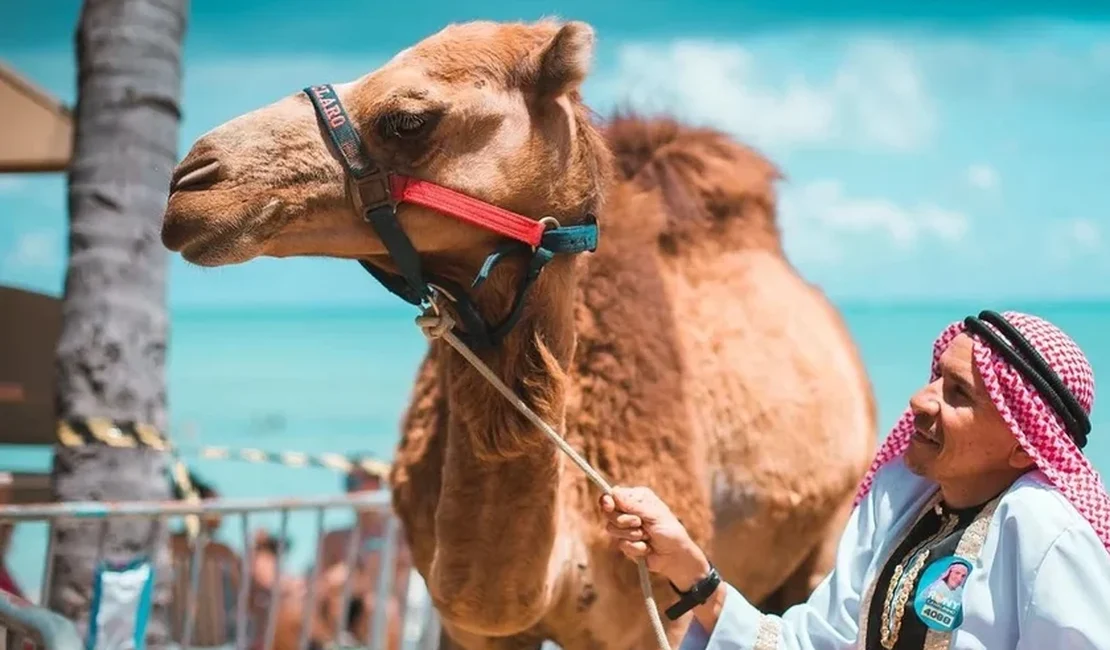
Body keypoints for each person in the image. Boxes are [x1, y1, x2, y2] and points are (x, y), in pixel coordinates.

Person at [599, 310, 1110, 649]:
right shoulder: (902, 500)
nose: (920, 400)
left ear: (1025, 443)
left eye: (958, 393)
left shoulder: (1044, 532)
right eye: (935, 376)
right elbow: (811, 643)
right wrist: (688, 567)